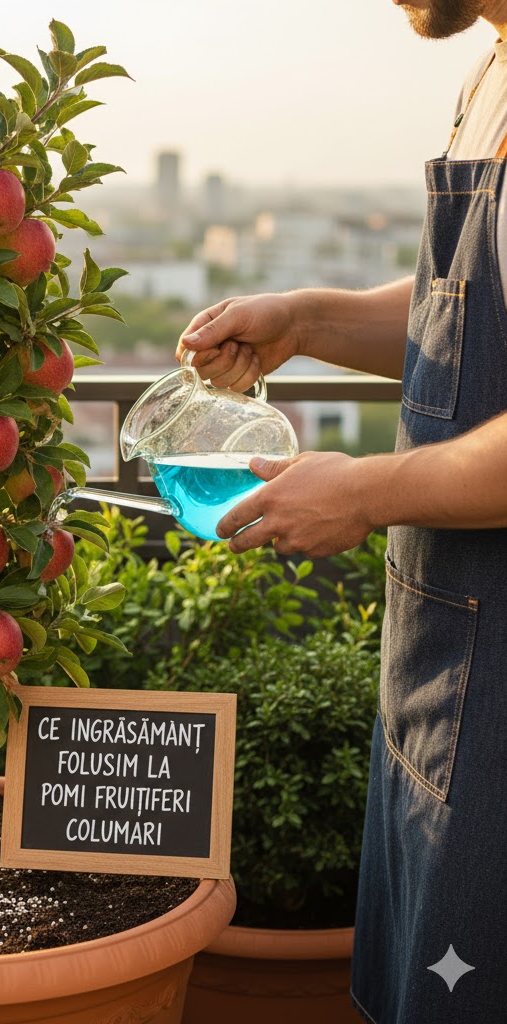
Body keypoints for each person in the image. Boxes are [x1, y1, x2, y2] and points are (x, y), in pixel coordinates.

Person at [177, 2, 507, 1021]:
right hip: (445, 641)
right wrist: (312, 318)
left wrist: (363, 489)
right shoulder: (488, 73)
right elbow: (465, 308)